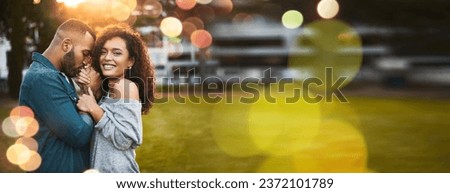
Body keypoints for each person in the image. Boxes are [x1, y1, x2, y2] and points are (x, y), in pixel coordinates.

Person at [18, 19, 96, 172]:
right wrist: (89, 108)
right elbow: (79, 133)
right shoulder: (44, 78)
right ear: (66, 45)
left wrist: (85, 91)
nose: (87, 62)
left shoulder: (57, 75)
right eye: (85, 54)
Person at [76, 24, 155, 173]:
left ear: (130, 61)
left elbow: (125, 139)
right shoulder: (109, 90)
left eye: (116, 53)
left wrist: (94, 108)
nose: (107, 58)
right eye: (103, 52)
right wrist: (87, 87)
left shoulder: (125, 86)